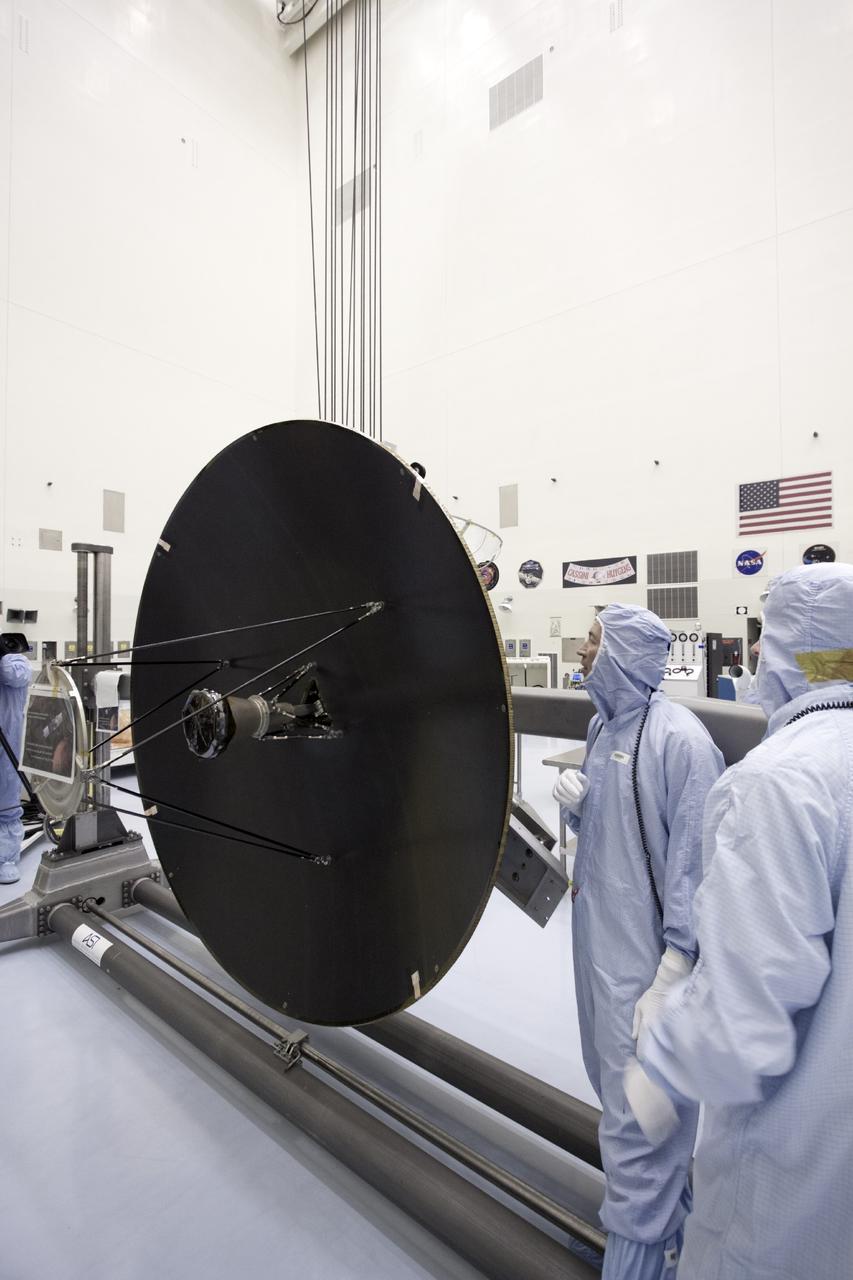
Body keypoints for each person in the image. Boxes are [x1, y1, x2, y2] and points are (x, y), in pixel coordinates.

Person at [625, 562, 853, 1278]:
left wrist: (658, 1066)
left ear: (785, 651)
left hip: (782, 1186)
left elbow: (748, 1008)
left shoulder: (776, 782)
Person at [554, 604, 724, 1279]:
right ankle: (668, 1230)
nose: (583, 649)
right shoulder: (603, 725)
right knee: (622, 1102)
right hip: (599, 953)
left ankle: (633, 1254)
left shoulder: (679, 741)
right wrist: (577, 806)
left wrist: (673, 969)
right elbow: (615, 841)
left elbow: (696, 865)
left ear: (625, 653)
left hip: (645, 972)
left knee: (638, 1122)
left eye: (594, 640)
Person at [0, 642, 32, 884]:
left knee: (7, 804)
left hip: (6, 748)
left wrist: (2, 654)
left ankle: (5, 859)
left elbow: (14, 676)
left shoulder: (15, 661)